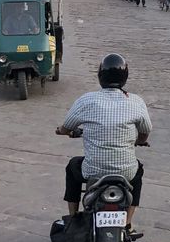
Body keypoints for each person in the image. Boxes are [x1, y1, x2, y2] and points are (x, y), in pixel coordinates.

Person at [57, 54, 152, 229]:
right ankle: (128, 223)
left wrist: (62, 131)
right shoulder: (136, 101)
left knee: (72, 167)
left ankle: (73, 219)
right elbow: (146, 131)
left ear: (100, 76)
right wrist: (139, 140)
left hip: (92, 171)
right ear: (125, 77)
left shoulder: (86, 100)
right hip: (126, 172)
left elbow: (66, 127)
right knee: (138, 174)